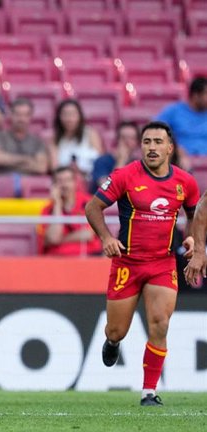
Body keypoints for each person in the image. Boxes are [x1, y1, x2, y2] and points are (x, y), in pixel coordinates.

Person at [84, 121, 200, 406]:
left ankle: (149, 392)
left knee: (160, 324)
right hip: (127, 263)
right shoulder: (125, 175)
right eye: (147, 142)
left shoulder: (185, 182)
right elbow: (92, 207)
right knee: (116, 330)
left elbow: (195, 213)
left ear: (170, 148)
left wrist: (193, 240)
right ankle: (112, 343)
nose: (152, 147)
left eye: (158, 142)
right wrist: (106, 237)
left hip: (162, 263)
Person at [40, 166, 101, 257]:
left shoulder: (90, 202)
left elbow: (88, 234)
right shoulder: (47, 210)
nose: (64, 185)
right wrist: (57, 205)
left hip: (89, 256)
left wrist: (61, 240)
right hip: (57, 260)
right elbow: (53, 238)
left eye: (67, 180)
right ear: (53, 186)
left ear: (75, 183)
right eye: (60, 181)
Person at [155, 76, 207, 168]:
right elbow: (154, 129)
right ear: (196, 95)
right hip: (180, 162)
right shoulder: (174, 111)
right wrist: (175, 148)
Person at [0, 97, 48, 175]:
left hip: (28, 183)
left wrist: (8, 161)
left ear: (31, 117)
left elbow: (41, 167)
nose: (21, 119)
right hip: (3, 182)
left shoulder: (37, 142)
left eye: (25, 115)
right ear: (11, 115)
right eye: (18, 114)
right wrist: (26, 159)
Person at [50, 99, 103, 177]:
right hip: (65, 180)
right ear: (59, 117)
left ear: (79, 116)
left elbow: (99, 161)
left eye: (73, 114)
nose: (69, 119)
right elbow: (54, 167)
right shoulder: (54, 138)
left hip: (90, 178)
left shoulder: (91, 134)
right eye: (65, 114)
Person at [89, 121, 141, 194]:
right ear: (117, 140)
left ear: (137, 142)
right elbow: (107, 188)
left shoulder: (138, 165)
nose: (127, 141)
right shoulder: (102, 161)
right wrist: (121, 161)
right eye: (123, 137)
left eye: (131, 138)